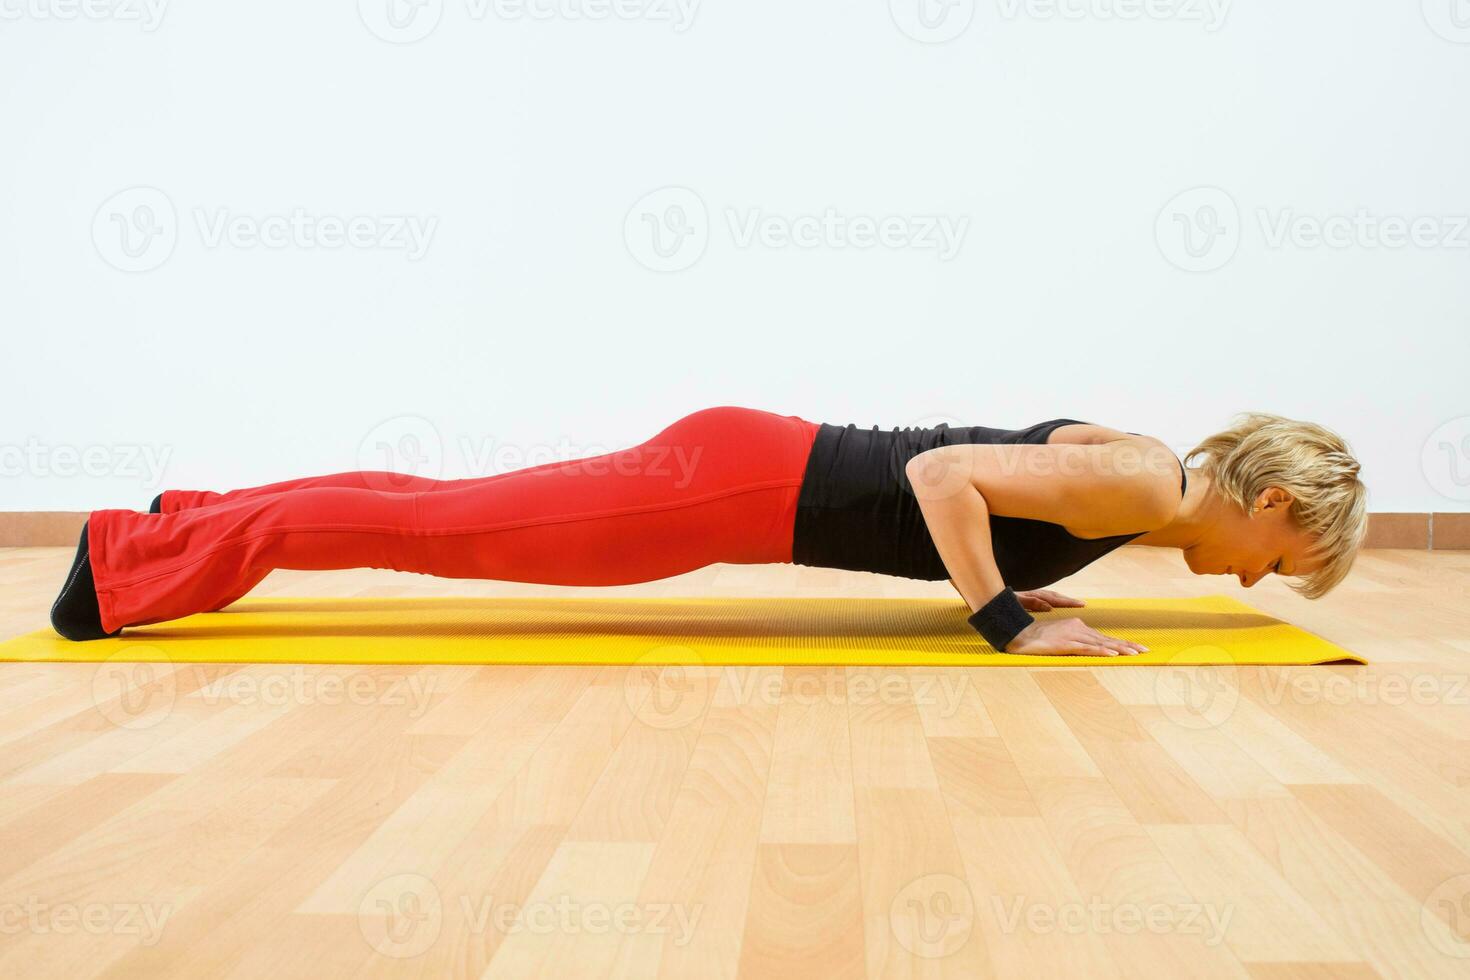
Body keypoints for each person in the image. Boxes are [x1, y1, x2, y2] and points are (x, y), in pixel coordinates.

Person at [50, 406, 1367, 656]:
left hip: (745, 469)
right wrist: (1005, 618)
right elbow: (946, 481)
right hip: (735, 490)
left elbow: (1011, 475)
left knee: (434, 515)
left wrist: (1039, 586)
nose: (1270, 579)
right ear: (1269, 506)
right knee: (439, 532)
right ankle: (130, 563)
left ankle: (188, 522)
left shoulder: (1135, 466)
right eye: (1288, 563)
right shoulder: (1144, 488)